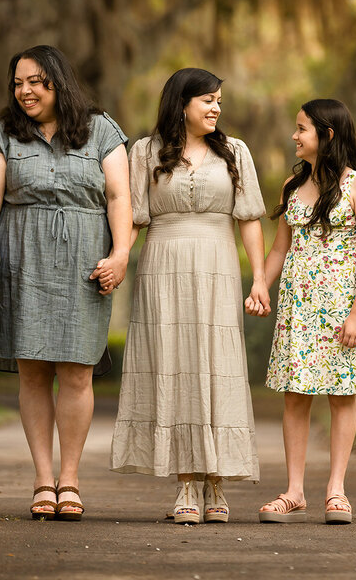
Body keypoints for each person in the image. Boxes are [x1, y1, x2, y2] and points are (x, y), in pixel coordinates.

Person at [0, 45, 130, 522]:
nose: (25, 91)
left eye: (36, 81)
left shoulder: (103, 130)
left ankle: (71, 480)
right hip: (21, 257)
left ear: (59, 82)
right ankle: (43, 479)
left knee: (78, 370)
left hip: (85, 259)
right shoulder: (1, 134)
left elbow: (121, 197)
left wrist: (120, 255)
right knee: (33, 370)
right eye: (18, 83)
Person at [110, 67, 270, 525]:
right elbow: (133, 217)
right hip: (163, 264)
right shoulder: (144, 151)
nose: (217, 108)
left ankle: (215, 481)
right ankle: (185, 482)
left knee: (216, 364)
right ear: (182, 103)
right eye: (208, 100)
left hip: (218, 264)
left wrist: (258, 277)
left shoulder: (236, 151)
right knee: (174, 365)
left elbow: (250, 218)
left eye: (220, 100)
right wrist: (119, 258)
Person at [256, 98, 356, 525]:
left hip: (344, 309)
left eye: (302, 129)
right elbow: (279, 248)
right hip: (299, 308)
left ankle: (337, 492)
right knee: (296, 397)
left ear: (326, 135)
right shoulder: (291, 188)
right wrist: (260, 284)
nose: (294, 136)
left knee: (341, 397)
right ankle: (294, 491)